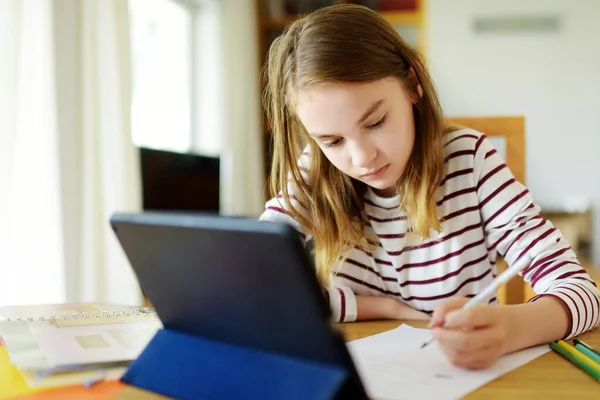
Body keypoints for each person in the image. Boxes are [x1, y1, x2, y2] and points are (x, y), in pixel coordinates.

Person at [258, 4, 600, 370]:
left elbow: (584, 294)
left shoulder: (470, 161)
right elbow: (257, 281)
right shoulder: (317, 170)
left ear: (413, 83)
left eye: (375, 122)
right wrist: (383, 307)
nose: (361, 158)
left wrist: (510, 328)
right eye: (332, 140)